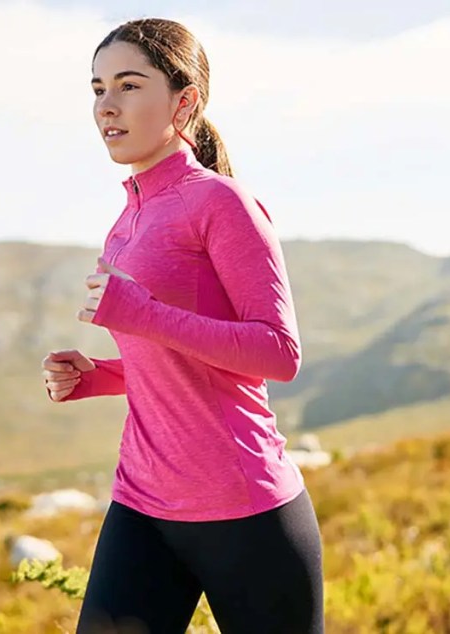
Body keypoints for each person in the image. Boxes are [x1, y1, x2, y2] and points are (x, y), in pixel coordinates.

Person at [40, 17, 324, 634]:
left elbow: (278, 353)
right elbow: (170, 363)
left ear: (184, 99)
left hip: (243, 508)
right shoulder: (126, 221)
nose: (106, 106)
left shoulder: (221, 203)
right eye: (96, 89)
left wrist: (143, 315)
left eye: (129, 85)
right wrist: (100, 377)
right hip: (142, 501)